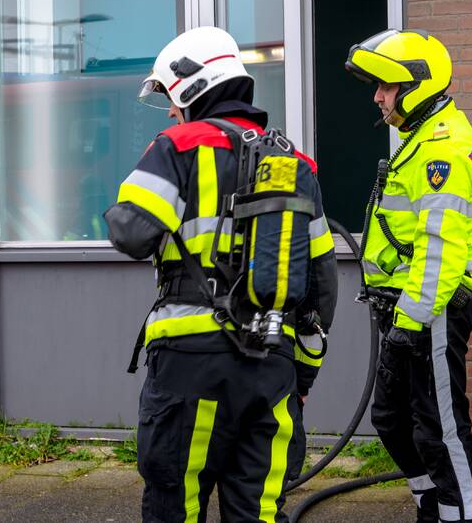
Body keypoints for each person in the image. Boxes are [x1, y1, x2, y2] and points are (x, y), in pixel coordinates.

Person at [104, 26, 338, 523]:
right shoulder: (292, 162)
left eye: (170, 96)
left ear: (192, 89)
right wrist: (304, 374)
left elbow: (131, 233)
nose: (169, 109)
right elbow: (322, 284)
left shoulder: (177, 144)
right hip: (272, 366)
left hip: (190, 364)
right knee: (257, 511)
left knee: (177, 504)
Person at [344, 29, 472, 523]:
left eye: (385, 86)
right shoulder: (422, 137)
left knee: (439, 427)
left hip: (433, 308)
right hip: (410, 308)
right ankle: (435, 503)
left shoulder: (441, 148)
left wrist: (412, 321)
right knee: (391, 418)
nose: (377, 96)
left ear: (415, 86)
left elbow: (440, 247)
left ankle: (461, 515)